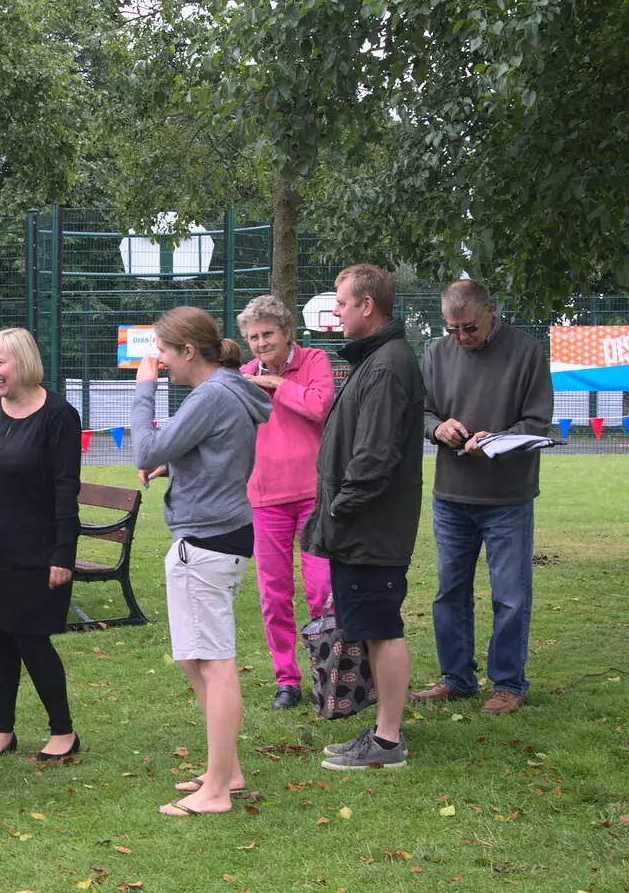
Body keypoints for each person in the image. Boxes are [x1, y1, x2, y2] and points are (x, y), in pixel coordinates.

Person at [133, 307, 271, 816]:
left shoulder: (212, 394)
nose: (160, 363)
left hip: (208, 543)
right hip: (217, 536)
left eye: (164, 353)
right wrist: (180, 463)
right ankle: (226, 769)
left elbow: (144, 449)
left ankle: (216, 791)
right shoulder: (228, 390)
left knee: (214, 664)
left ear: (188, 352)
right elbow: (216, 452)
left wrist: (143, 389)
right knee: (197, 659)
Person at [302, 264, 426, 771]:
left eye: (342, 302)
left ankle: (389, 741)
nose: (336, 310)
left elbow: (374, 454)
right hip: (361, 524)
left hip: (370, 526)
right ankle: (381, 730)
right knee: (372, 626)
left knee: (382, 628)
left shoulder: (387, 363)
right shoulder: (377, 358)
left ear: (367, 306)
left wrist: (341, 506)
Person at [414, 280, 554, 715]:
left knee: (510, 594)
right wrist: (436, 428)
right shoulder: (436, 353)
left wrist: (497, 439)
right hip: (451, 494)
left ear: (491, 312)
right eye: (452, 329)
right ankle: (456, 678)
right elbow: (419, 410)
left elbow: (537, 422)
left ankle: (509, 683)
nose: (461, 337)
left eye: (469, 328)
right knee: (449, 593)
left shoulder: (528, 352)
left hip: (507, 496)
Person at [0, 327, 83, 762]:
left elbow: (66, 489)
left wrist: (63, 553)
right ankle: (3, 730)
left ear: (23, 362)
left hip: (32, 547)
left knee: (31, 639)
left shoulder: (58, 416)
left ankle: (63, 731)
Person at [238, 295, 337, 710]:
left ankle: (328, 674)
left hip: (313, 493)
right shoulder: (242, 375)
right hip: (264, 498)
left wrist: (277, 384)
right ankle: (287, 680)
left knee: (322, 591)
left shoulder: (314, 360)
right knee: (274, 594)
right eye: (253, 337)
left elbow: (319, 407)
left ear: (287, 333)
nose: (260, 344)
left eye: (267, 335)